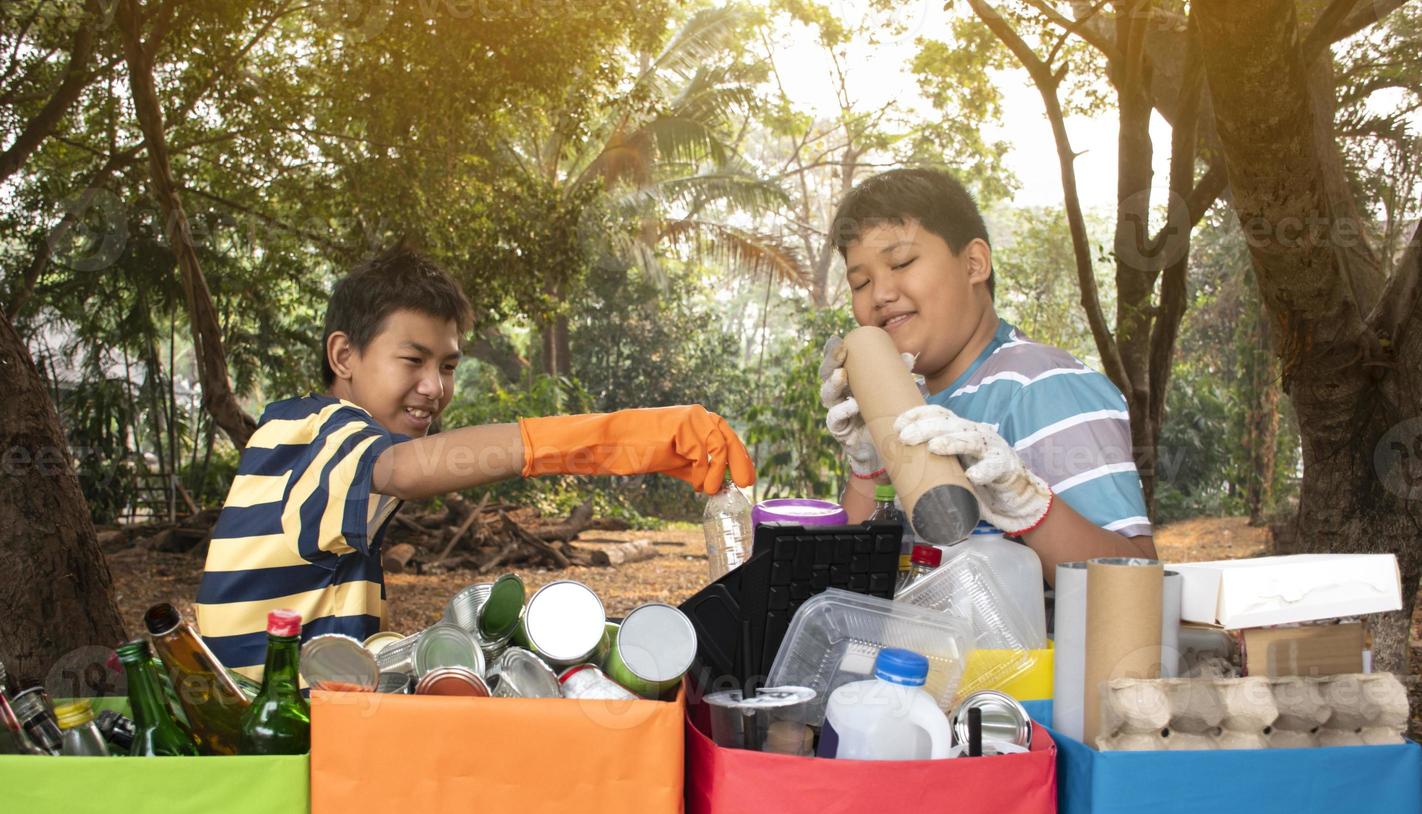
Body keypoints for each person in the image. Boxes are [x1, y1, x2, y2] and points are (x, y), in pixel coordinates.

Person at [196, 245, 754, 674]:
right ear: (344, 354)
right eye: (412, 359)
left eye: (448, 367)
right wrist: (615, 438)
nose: (433, 388)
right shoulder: (322, 431)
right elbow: (408, 469)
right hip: (260, 732)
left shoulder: (306, 434)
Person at [818, 168, 1156, 582]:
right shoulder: (910, 403)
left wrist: (1028, 504)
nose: (880, 294)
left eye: (902, 262)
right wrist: (868, 466)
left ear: (974, 263)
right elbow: (846, 581)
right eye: (861, 282)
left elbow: (1139, 582)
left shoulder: (1043, 385)